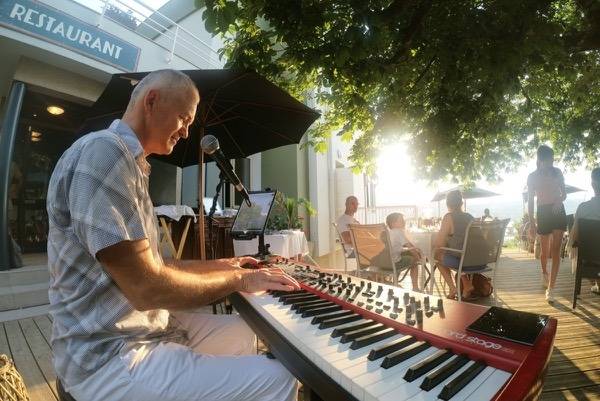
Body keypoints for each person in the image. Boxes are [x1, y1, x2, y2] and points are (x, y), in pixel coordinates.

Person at [46, 69, 300, 401]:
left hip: (148, 330)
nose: (186, 132)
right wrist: (239, 282)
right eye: (184, 118)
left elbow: (157, 266)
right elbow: (146, 286)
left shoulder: (132, 163)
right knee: (279, 377)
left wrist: (229, 264)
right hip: (108, 356)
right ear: (151, 101)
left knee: (244, 332)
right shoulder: (105, 153)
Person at [527, 145, 566, 302]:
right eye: (547, 160)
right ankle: (544, 273)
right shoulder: (532, 176)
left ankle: (551, 288)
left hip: (558, 211)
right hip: (542, 212)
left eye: (552, 159)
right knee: (545, 252)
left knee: (556, 250)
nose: (550, 163)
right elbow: (530, 201)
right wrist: (531, 223)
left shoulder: (558, 172)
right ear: (540, 160)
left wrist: (559, 200)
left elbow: (564, 194)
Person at [433, 190, 477, 301]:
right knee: (456, 254)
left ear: (448, 204)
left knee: (437, 257)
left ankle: (453, 289)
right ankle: (466, 285)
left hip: (464, 261)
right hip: (478, 260)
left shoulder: (449, 217)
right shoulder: (470, 217)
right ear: (461, 203)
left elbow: (439, 243)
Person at [569, 167, 600, 294]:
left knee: (580, 251)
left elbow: (573, 238)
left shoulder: (583, 208)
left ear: (592, 185)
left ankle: (596, 282)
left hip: (589, 260)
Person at [386, 213, 421, 291]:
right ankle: (415, 287)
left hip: (384, 262)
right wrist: (418, 257)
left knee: (401, 255)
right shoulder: (398, 231)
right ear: (393, 223)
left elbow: (397, 248)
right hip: (394, 264)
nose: (404, 222)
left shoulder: (388, 232)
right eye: (401, 220)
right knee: (414, 260)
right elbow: (410, 247)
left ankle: (394, 281)